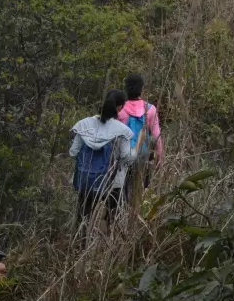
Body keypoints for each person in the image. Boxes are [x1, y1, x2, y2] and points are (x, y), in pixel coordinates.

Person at [70, 89, 135, 229]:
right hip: (113, 182)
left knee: (83, 217)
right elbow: (126, 157)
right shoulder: (122, 130)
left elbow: (73, 152)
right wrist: (136, 153)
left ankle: (79, 245)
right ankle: (107, 245)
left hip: (85, 180)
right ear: (120, 107)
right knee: (112, 218)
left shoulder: (83, 125)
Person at [118, 73, 164, 203]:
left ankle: (122, 215)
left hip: (123, 157)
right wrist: (159, 158)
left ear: (126, 89)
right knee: (142, 191)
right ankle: (138, 214)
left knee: (123, 192)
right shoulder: (150, 109)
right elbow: (157, 135)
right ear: (142, 89)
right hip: (143, 157)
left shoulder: (120, 109)